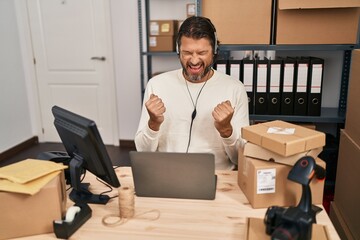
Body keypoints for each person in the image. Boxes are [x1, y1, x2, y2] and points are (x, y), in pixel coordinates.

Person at [135, 16, 249, 170]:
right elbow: (143, 152)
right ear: (178, 50)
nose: (194, 61)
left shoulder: (235, 88)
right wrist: (153, 124)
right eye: (187, 52)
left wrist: (226, 130)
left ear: (214, 51)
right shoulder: (156, 85)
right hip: (167, 174)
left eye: (202, 52)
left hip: (217, 178)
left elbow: (239, 159)